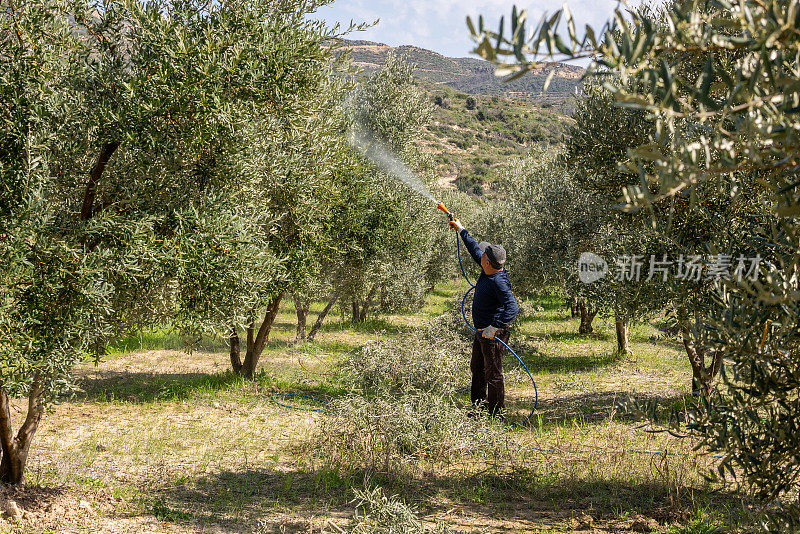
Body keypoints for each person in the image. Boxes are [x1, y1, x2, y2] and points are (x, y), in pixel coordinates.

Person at [449, 217, 519, 417]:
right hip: (481, 331)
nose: (480, 255)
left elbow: (512, 308)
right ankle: (478, 409)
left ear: (487, 262)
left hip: (492, 334)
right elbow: (474, 249)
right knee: (477, 369)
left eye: (483, 255)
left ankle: (496, 414)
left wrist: (495, 327)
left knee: (493, 374)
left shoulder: (498, 282)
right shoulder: (489, 268)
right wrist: (461, 228)